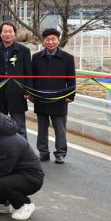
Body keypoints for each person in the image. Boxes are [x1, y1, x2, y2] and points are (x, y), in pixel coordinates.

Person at [31, 28, 75, 164]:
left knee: (60, 128)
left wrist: (71, 95)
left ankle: (60, 153)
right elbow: (32, 77)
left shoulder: (67, 58)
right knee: (42, 128)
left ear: (58, 40)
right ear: (43, 41)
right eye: (47, 40)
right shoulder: (37, 57)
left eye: (53, 39)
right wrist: (32, 94)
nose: (50, 42)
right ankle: (43, 152)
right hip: (41, 98)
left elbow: (71, 79)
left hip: (59, 99)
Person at [0, 21, 32, 138]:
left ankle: (23, 153)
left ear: (14, 34)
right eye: (5, 31)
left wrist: (28, 91)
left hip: (17, 93)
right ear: (0, 34)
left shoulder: (24, 51)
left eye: (10, 31)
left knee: (20, 127)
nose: (7, 34)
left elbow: (28, 73)